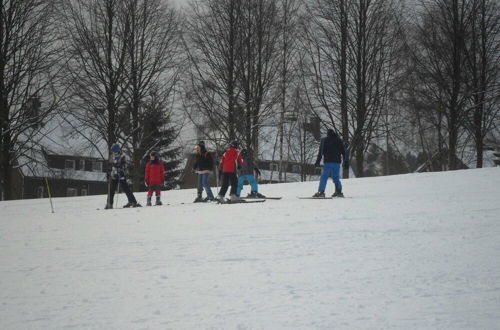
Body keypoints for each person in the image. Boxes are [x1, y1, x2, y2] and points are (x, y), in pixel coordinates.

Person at [313, 129, 349, 198]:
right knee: (335, 177)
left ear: (328, 134)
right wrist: (346, 162)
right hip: (337, 163)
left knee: (324, 177)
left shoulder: (324, 140)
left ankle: (321, 192)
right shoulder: (339, 140)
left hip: (328, 162)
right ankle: (339, 191)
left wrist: (317, 162)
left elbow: (320, 152)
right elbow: (344, 152)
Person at [105, 143, 141, 208]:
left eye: (114, 151)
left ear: (117, 150)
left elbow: (124, 165)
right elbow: (109, 165)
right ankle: (109, 203)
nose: (113, 152)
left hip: (121, 175)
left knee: (126, 189)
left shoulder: (122, 156)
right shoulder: (112, 156)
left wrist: (120, 169)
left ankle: (132, 201)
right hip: (114, 175)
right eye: (112, 151)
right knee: (111, 190)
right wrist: (108, 172)